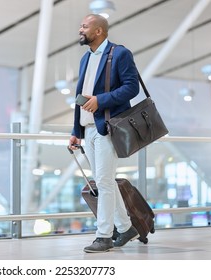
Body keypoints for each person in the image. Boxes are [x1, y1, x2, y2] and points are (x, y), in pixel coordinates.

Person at [68, 14, 140, 253]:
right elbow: (81, 97)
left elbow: (132, 87)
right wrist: (76, 131)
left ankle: (104, 236)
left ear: (98, 31)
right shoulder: (85, 58)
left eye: (84, 26)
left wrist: (102, 100)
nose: (80, 29)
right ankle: (126, 227)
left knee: (105, 183)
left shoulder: (120, 54)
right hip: (88, 130)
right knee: (104, 181)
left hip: (108, 127)